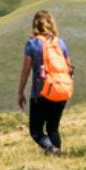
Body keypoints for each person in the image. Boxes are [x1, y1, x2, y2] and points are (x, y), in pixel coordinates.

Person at [16, 10, 73, 156]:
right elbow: (69, 67)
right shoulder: (60, 43)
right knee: (53, 129)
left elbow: (25, 70)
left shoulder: (32, 44)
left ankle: (51, 149)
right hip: (61, 91)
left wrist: (20, 92)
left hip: (41, 94)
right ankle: (58, 156)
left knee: (36, 131)